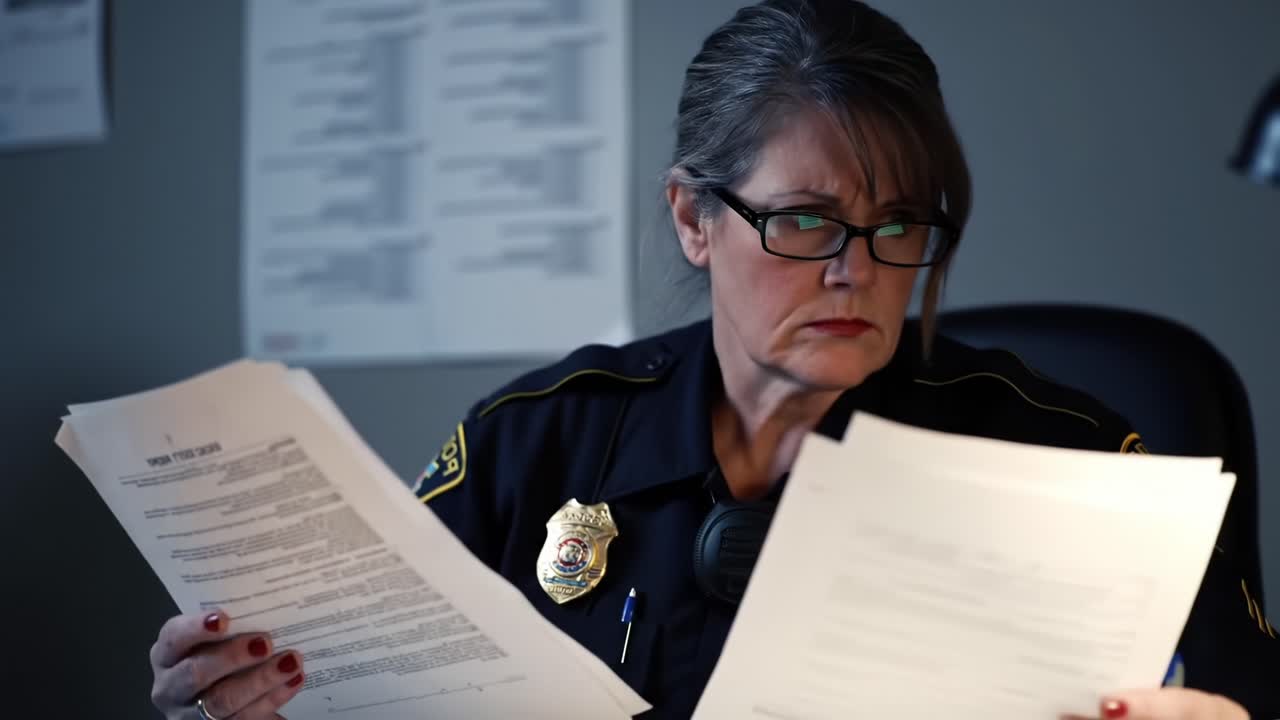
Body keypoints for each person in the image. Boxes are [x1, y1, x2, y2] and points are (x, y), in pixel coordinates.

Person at [147, 1, 1278, 718]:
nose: (855, 269)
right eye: (801, 220)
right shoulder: (531, 442)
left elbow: (1242, 694)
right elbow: (363, 682)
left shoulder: (1075, 452)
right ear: (694, 218)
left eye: (898, 225)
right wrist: (243, 696)